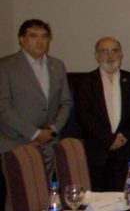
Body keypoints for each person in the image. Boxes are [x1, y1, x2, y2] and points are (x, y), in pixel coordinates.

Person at [0, 19, 74, 180]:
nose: (40, 41)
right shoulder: (5, 66)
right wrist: (34, 133)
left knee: (44, 190)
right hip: (16, 142)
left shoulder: (57, 65)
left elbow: (66, 103)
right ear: (21, 39)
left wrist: (53, 129)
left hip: (48, 143)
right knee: (20, 192)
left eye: (44, 36)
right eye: (33, 36)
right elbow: (3, 106)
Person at [73, 37, 130, 192]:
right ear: (96, 56)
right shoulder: (85, 82)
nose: (110, 56)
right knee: (98, 200)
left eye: (114, 51)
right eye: (104, 51)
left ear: (121, 54)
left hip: (125, 152)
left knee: (123, 199)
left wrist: (123, 136)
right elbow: (83, 116)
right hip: (97, 153)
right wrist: (108, 139)